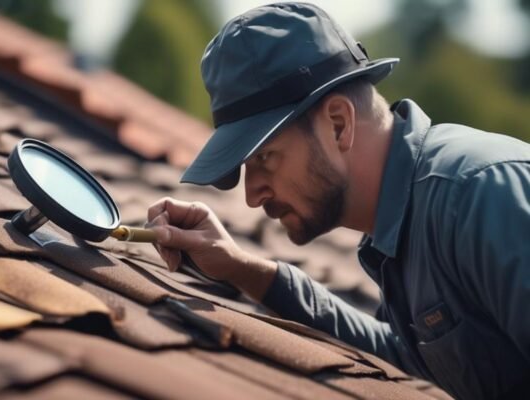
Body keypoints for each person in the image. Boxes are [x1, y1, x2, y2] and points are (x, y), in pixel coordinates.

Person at [146, 3, 530, 399]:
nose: (251, 195)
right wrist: (242, 269)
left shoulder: (475, 195)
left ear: (338, 124)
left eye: (264, 158)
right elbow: (405, 356)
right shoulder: (404, 229)